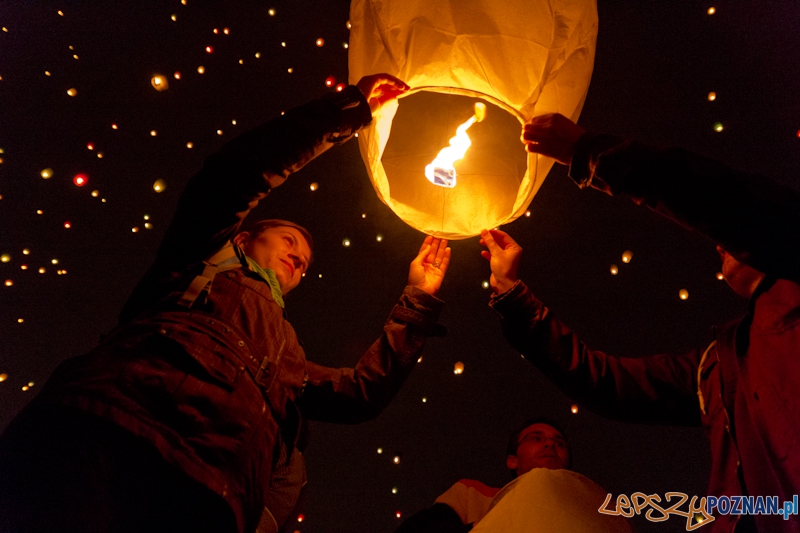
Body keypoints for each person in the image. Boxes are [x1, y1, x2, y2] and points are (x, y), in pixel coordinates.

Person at [0, 74, 452, 533]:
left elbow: (360, 395)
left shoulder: (288, 354)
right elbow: (233, 177)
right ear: (243, 238)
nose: (299, 258)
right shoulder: (200, 260)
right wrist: (342, 113)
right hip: (108, 430)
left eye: (305, 262)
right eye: (289, 240)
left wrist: (419, 296)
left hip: (211, 494)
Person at [479, 112, 800, 532]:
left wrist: (589, 153)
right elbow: (604, 381)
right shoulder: (715, 365)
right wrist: (512, 293)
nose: (719, 245)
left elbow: (725, 199)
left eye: (732, 236)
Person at [395, 417, 630, 533]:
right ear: (512, 460)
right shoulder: (472, 494)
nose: (549, 444)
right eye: (536, 438)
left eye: (559, 443)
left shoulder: (592, 506)